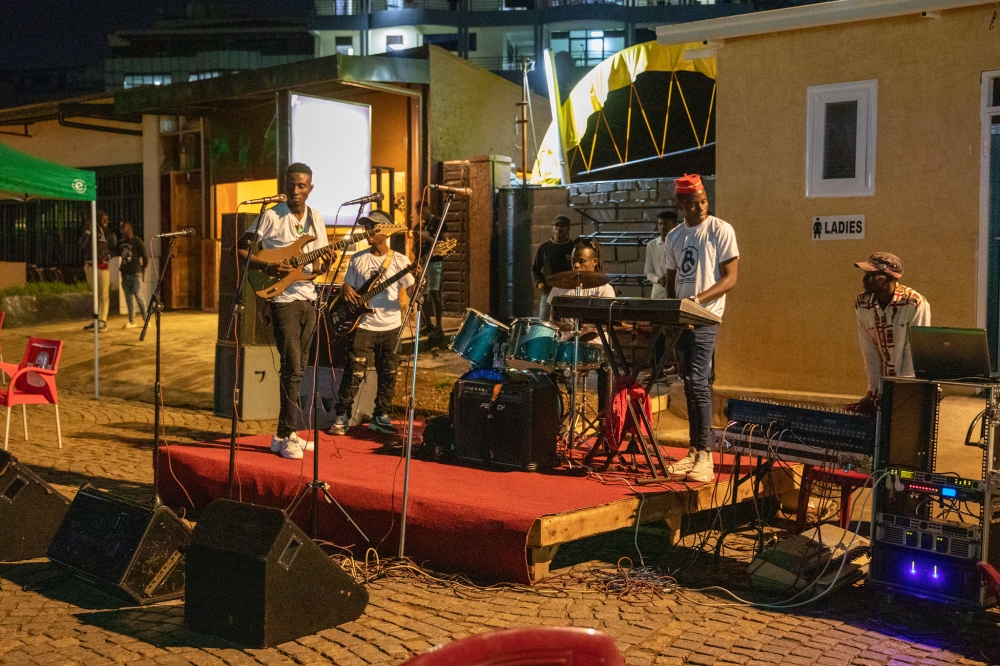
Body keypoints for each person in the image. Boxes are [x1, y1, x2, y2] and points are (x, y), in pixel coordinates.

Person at [238, 163, 332, 459]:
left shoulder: (316, 218)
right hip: (282, 300)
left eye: (301, 186)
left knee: (299, 368)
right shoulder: (270, 215)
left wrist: (325, 265)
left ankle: (281, 435)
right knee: (291, 368)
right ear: (284, 184)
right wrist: (267, 265)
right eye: (291, 185)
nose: (295, 191)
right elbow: (241, 250)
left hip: (308, 298)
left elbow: (316, 267)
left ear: (310, 188)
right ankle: (290, 433)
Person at [664, 174, 739, 483]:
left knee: (698, 381)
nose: (701, 207)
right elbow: (671, 282)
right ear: (682, 205)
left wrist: (697, 300)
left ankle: (706, 455)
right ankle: (694, 451)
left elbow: (730, 278)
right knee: (688, 382)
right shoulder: (674, 237)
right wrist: (673, 312)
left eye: (705, 201)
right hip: (683, 318)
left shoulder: (720, 230)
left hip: (706, 317)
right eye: (694, 204)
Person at [328, 229, 420, 435]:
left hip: (391, 325)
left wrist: (418, 278)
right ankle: (342, 416)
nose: (370, 233)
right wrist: (346, 288)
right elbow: (348, 286)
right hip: (363, 324)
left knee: (388, 373)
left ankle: (381, 416)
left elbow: (413, 293)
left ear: (386, 232)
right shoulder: (358, 259)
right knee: (354, 371)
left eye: (375, 229)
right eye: (369, 228)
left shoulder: (400, 261)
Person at [852, 252, 930, 413]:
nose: (867, 279)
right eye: (867, 274)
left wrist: (902, 396)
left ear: (890, 277)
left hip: (909, 387)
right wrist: (873, 391)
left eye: (874, 274)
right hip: (884, 386)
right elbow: (869, 350)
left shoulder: (914, 303)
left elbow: (914, 355)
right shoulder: (862, 303)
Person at [548, 239, 614, 411]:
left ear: (594, 262)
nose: (576, 265)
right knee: (544, 367)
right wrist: (565, 329)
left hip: (595, 344)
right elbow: (553, 320)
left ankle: (603, 420)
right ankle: (555, 416)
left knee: (607, 368)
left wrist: (584, 334)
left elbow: (607, 325)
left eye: (581, 261)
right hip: (567, 343)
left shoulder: (604, 289)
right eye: (573, 261)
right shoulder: (559, 287)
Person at [645, 210, 680, 379]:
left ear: (675, 225)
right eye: (660, 224)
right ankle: (657, 371)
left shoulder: (681, 242)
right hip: (658, 294)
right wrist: (659, 279)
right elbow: (648, 272)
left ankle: (680, 367)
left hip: (677, 294)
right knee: (656, 336)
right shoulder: (652, 245)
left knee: (677, 334)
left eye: (666, 224)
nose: (662, 228)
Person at [79, 210, 116, 332]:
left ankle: (103, 321)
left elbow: (115, 249)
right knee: (96, 295)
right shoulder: (89, 230)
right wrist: (88, 231)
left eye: (107, 219)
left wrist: (108, 256)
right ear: (97, 219)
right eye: (103, 219)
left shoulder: (109, 233)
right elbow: (81, 245)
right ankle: (96, 320)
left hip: (103, 266)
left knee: (104, 294)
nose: (106, 221)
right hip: (90, 265)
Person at [532, 215, 575, 320]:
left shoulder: (574, 247)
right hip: (549, 291)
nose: (559, 228)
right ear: (552, 228)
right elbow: (535, 269)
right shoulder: (544, 247)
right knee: (543, 324)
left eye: (563, 226)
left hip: (568, 292)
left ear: (568, 228)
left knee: (568, 324)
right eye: (556, 226)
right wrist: (541, 286)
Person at [418, 209, 444, 338]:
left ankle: (439, 326)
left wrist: (427, 238)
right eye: (419, 213)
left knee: (434, 292)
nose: (422, 216)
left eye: (423, 213)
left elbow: (444, 243)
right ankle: (427, 324)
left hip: (434, 261)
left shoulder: (438, 222)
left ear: (429, 209)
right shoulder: (422, 224)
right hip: (423, 262)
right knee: (423, 294)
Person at [118, 221, 148, 329]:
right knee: (128, 298)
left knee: (138, 295)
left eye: (124, 227)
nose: (122, 229)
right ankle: (131, 320)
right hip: (125, 273)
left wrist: (144, 269)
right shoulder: (121, 242)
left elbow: (145, 256)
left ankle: (146, 319)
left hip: (135, 272)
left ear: (130, 228)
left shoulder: (137, 241)